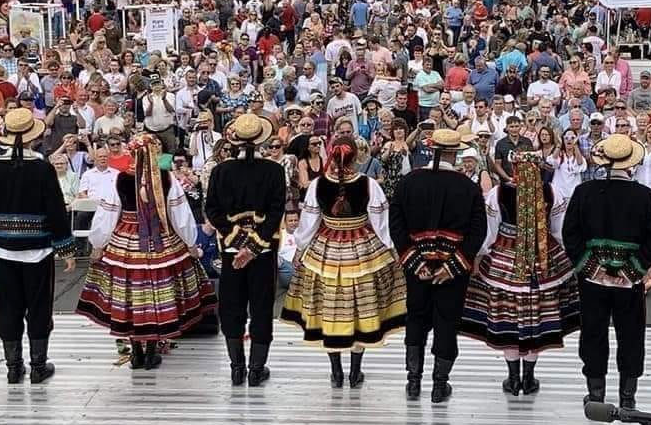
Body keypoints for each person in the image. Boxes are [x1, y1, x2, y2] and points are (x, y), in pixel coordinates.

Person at [76, 134, 217, 369]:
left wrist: (98, 244)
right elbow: (179, 215)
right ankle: (151, 351)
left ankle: (137, 352)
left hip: (127, 240)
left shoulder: (120, 179)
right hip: (161, 239)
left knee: (131, 295)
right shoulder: (166, 177)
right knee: (156, 298)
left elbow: (108, 214)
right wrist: (191, 243)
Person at [282, 136, 406, 387]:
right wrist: (393, 248)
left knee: (330, 309)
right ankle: (354, 371)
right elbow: (381, 222)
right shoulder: (369, 184)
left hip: (326, 248)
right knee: (361, 309)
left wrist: (300, 248)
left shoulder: (318, 184)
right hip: (363, 249)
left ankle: (336, 371)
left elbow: (308, 223)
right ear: (355, 157)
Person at [0, 109, 75, 384]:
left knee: (8, 306)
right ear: (33, 137)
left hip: (3, 250)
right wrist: (66, 248)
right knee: (38, 306)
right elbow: (56, 210)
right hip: (38, 250)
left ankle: (13, 367)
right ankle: (38, 366)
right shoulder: (42, 167)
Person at [460, 151, 580, 395]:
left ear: (514, 167)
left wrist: (482, 254)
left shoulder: (499, 192)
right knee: (535, 319)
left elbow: (490, 230)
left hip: (506, 259)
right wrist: (561, 254)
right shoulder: (551, 191)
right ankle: (529, 377)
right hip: (542, 260)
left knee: (510, 320)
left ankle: (513, 377)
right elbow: (558, 229)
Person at [562, 134, 651, 409]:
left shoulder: (584, 192)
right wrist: (631, 271)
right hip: (629, 283)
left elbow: (570, 235)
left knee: (593, 332)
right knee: (631, 335)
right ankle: (627, 397)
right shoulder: (644, 195)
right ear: (631, 163)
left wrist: (592, 269)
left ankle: (596, 395)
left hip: (592, 281)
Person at [389, 128, 487, 403]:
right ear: (455, 153)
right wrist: (454, 265)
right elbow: (478, 231)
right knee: (447, 321)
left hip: (416, 265)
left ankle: (413, 381)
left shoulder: (409, 182)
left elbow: (396, 224)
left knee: (416, 319)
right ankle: (439, 385)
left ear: (432, 150)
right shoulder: (467, 186)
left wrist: (413, 260)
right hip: (451, 270)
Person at [205, 114, 286, 387]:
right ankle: (255, 369)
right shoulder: (274, 170)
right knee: (262, 306)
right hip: (262, 251)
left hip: (230, 250)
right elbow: (276, 212)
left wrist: (237, 240)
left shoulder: (220, 171)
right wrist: (253, 246)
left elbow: (212, 211)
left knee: (232, 305)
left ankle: (236, 367)